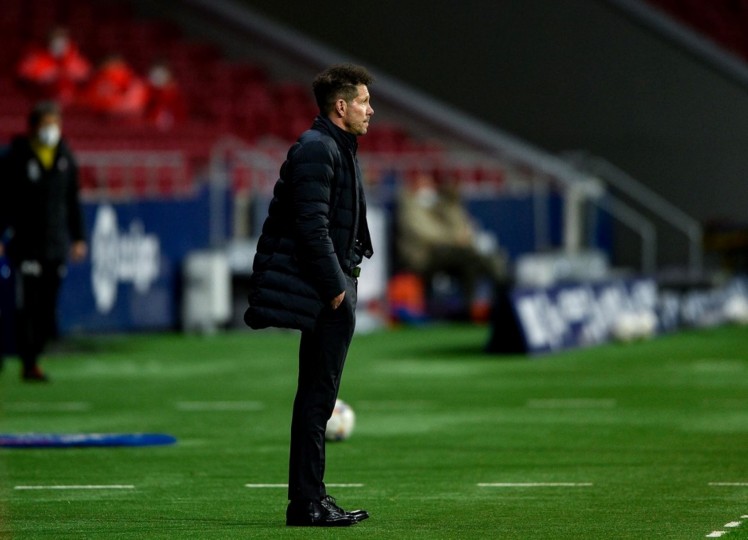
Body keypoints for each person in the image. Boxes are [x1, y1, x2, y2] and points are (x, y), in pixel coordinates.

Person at [244, 64, 374, 527]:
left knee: (318, 398)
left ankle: (310, 499)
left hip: (335, 285)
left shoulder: (334, 146)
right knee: (317, 400)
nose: (369, 109)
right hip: (328, 292)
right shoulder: (318, 149)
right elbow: (310, 227)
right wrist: (337, 290)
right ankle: (308, 503)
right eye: (362, 101)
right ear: (340, 107)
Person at [0, 101, 87, 382]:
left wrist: (78, 237)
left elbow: (72, 201)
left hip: (55, 244)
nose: (51, 129)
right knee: (26, 306)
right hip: (25, 244)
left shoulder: (65, 157)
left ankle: (35, 353)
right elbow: (5, 201)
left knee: (47, 308)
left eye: (56, 123)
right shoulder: (16, 157)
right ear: (34, 126)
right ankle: (28, 362)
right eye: (46, 123)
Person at [396, 171, 508, 319]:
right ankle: (498, 295)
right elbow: (427, 233)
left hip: (444, 253)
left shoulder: (437, 205)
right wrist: (454, 238)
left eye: (430, 184)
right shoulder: (409, 206)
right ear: (413, 185)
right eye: (423, 184)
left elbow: (457, 226)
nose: (428, 189)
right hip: (422, 257)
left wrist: (452, 203)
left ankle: (478, 307)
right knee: (470, 257)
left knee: (472, 262)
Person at [16, 26, 92, 105]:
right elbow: (22, 78)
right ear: (48, 42)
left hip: (72, 107)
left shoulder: (78, 61)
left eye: (63, 41)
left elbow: (86, 78)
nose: (59, 45)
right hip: (41, 103)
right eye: (55, 41)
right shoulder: (34, 60)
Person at [78, 54, 148, 117]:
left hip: (127, 118)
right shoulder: (97, 80)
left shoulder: (133, 82)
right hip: (102, 116)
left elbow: (135, 104)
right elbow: (90, 100)